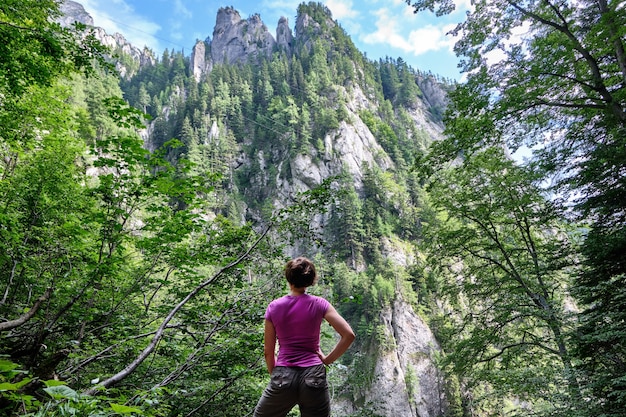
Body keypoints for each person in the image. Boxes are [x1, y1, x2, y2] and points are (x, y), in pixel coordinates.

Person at [253, 257, 356, 417]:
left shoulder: (274, 307)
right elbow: (348, 335)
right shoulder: (320, 304)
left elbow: (268, 351)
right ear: (311, 280)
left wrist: (276, 375)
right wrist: (327, 360)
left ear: (289, 278)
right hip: (313, 374)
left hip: (284, 373)